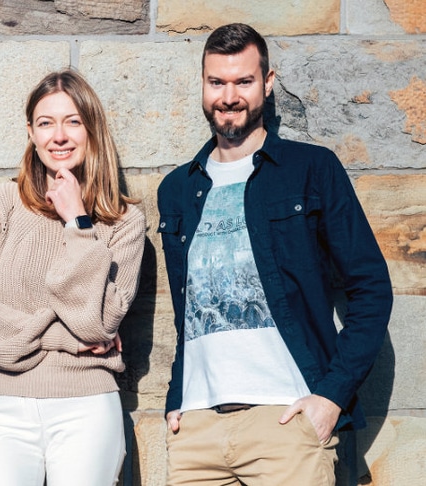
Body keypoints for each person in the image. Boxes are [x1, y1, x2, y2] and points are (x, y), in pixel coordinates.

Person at [157, 23, 393, 485]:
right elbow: (187, 312)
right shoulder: (177, 190)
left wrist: (331, 397)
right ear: (203, 84)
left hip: (287, 422)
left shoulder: (311, 169)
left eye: (243, 81)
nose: (229, 97)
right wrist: (175, 402)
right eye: (217, 82)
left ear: (267, 82)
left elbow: (371, 289)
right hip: (196, 430)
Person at [0, 69, 146, 486]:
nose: (59, 136)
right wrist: (63, 338)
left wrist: (78, 223)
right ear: (31, 133)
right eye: (46, 123)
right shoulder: (4, 201)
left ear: (92, 129)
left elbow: (97, 324)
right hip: (2, 404)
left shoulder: (124, 222)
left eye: (73, 121)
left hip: (86, 406)